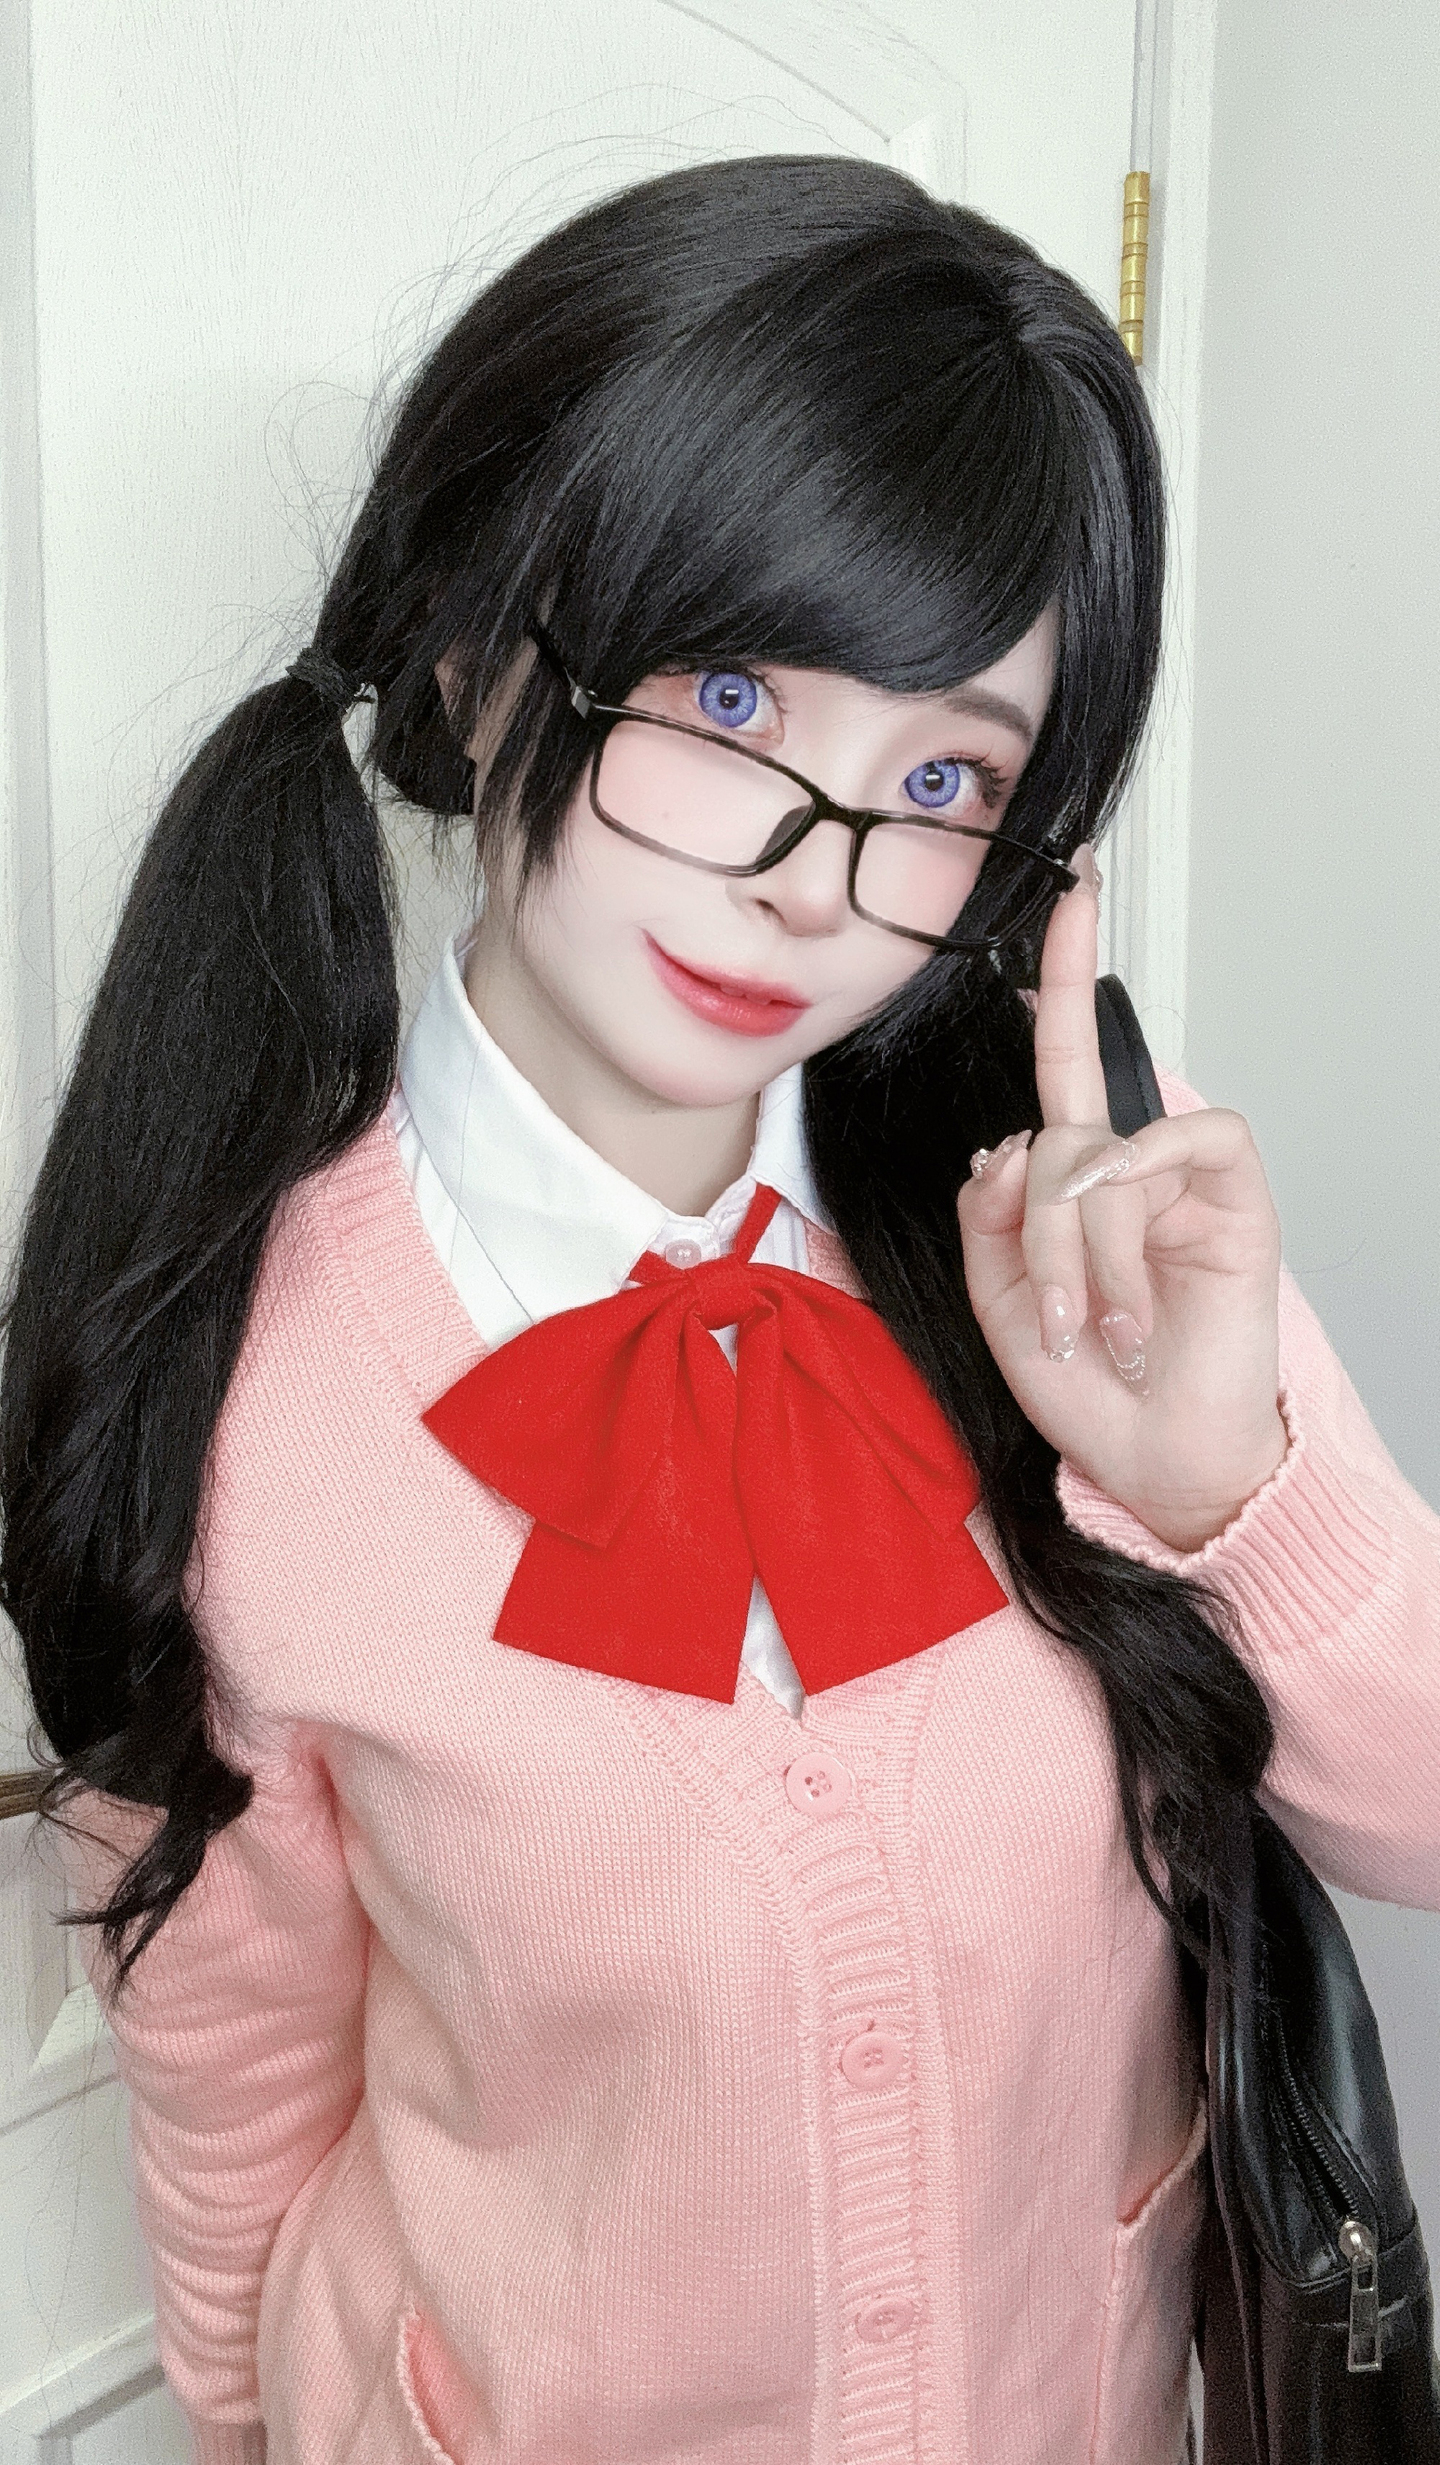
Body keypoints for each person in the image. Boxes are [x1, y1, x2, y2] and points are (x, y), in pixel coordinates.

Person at [2, 153, 1437, 2465]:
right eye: (739, 693)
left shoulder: (1090, 1225)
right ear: (477, 654)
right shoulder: (239, 1393)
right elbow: (235, 2100)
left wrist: (1228, 1490)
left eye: (942, 776)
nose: (811, 882)